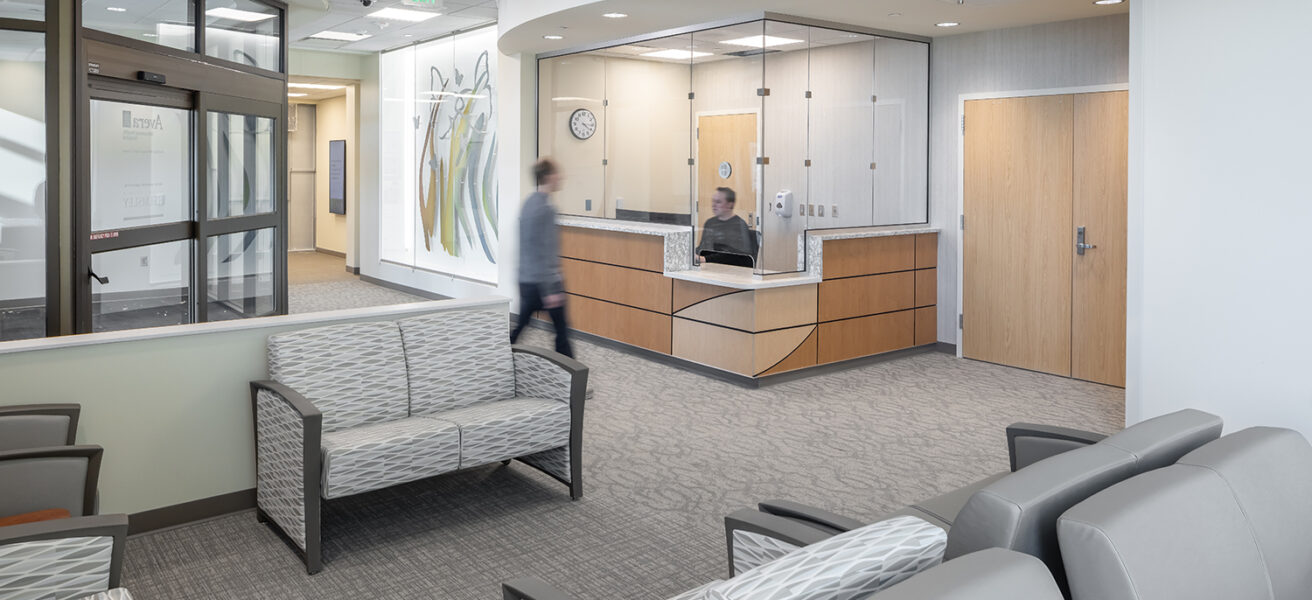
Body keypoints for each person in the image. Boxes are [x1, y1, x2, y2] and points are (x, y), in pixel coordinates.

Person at [510, 158, 573, 357]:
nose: (560, 177)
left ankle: (500, 355)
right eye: (556, 173)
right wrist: (551, 289)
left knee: (521, 325)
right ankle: (569, 371)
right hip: (543, 283)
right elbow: (546, 251)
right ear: (547, 177)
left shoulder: (528, 203)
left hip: (526, 279)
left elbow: (527, 246)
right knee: (561, 330)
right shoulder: (547, 209)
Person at [695, 187, 758, 267]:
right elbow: (703, 248)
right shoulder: (710, 223)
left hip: (730, 270)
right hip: (708, 267)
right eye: (713, 201)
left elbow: (736, 256)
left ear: (729, 204)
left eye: (718, 202)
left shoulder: (739, 225)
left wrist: (704, 259)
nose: (713, 205)